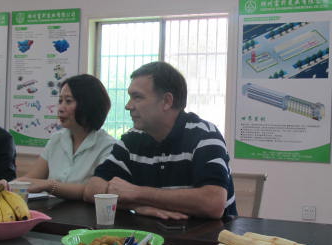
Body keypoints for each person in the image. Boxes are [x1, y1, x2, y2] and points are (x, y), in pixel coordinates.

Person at [83, 61, 236, 220]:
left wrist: (137, 193)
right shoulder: (132, 139)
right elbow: (92, 189)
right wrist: (136, 205)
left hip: (208, 235)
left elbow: (213, 203)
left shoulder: (205, 135)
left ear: (167, 101)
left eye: (137, 97)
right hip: (150, 233)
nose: (128, 106)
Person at [0, 74, 116, 200]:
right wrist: (7, 185)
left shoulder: (108, 146)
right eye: (60, 101)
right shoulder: (57, 139)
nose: (60, 108)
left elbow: (94, 191)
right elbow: (32, 178)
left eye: (68, 101)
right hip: (51, 210)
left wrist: (50, 185)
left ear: (88, 105)